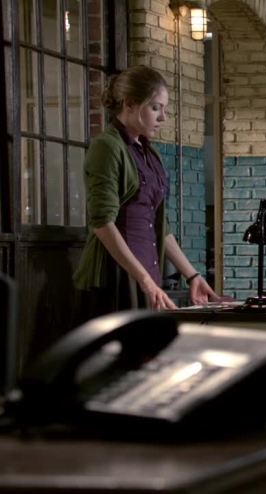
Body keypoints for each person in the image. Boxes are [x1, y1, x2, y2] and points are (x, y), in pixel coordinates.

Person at [73, 65, 218, 319]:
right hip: (115, 279)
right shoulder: (107, 147)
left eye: (165, 109)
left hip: (147, 277)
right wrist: (144, 280)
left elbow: (161, 225)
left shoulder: (150, 154)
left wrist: (192, 275)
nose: (163, 118)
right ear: (129, 104)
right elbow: (102, 223)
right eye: (155, 108)